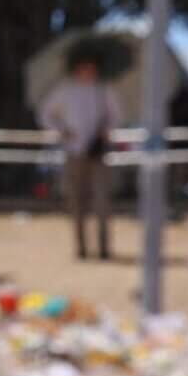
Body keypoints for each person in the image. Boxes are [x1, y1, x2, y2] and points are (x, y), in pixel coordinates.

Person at [39, 53, 122, 261]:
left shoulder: (103, 90)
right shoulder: (65, 90)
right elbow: (45, 114)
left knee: (102, 201)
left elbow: (115, 116)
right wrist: (63, 131)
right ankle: (81, 247)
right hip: (74, 151)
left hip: (97, 153)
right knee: (76, 200)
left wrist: (104, 132)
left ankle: (104, 248)